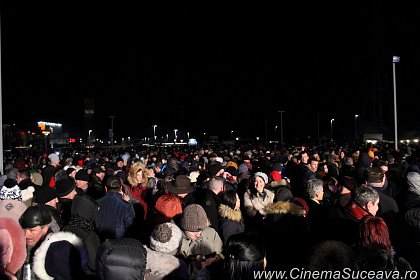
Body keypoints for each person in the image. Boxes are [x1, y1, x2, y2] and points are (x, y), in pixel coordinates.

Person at [95, 175, 135, 241]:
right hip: (119, 245)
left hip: (99, 244)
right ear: (120, 188)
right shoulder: (126, 206)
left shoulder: (96, 203)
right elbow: (131, 230)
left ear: (105, 188)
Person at [18, 204, 53, 280]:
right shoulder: (20, 245)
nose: (26, 235)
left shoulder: (55, 252)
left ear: (45, 228)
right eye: (24, 229)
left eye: (31, 230)